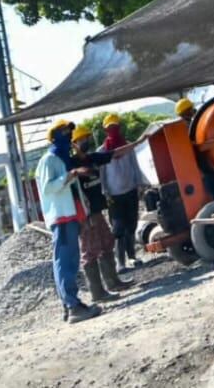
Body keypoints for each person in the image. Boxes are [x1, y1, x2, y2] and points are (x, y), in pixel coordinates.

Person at [34, 120, 101, 323]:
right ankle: (73, 306)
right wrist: (71, 174)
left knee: (69, 259)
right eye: (65, 132)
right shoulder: (49, 160)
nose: (69, 136)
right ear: (54, 136)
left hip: (70, 214)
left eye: (69, 132)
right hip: (61, 216)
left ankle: (69, 304)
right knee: (66, 261)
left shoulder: (61, 159)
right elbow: (47, 188)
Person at [71, 124, 133, 300]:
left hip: (96, 211)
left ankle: (113, 282)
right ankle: (97, 292)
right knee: (90, 250)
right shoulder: (72, 165)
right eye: (82, 139)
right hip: (86, 214)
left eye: (87, 138)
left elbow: (116, 153)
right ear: (74, 143)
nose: (86, 141)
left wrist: (139, 142)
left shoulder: (92, 158)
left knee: (107, 242)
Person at [99, 114, 144, 271]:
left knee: (131, 224)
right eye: (110, 128)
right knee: (118, 229)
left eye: (115, 127)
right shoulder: (102, 151)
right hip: (114, 196)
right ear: (105, 130)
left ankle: (132, 256)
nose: (113, 130)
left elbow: (135, 166)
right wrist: (106, 193)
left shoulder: (128, 147)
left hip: (131, 191)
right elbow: (102, 175)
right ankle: (121, 263)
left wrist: (139, 185)